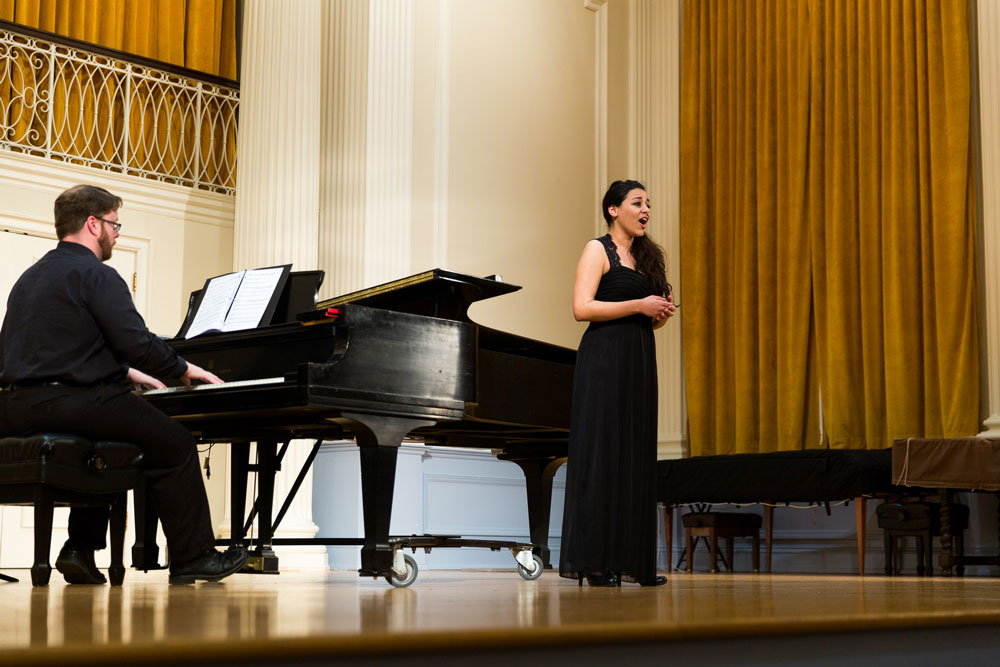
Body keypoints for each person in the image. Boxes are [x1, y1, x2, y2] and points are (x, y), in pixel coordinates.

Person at [0, 184, 247, 585]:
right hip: (76, 402)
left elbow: (36, 348)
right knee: (175, 442)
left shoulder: (29, 278)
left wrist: (126, 372)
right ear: (93, 224)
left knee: (112, 444)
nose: (118, 233)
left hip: (15, 408)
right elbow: (135, 341)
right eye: (115, 224)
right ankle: (194, 556)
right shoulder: (98, 274)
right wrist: (182, 368)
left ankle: (80, 548)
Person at [559, 179, 676, 587]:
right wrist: (638, 305)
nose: (646, 210)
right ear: (614, 210)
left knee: (633, 455)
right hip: (604, 363)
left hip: (639, 362)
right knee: (604, 455)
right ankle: (594, 562)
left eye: (648, 205)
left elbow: (646, 318)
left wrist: (657, 313)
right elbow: (581, 308)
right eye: (638, 203)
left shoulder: (645, 258)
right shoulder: (597, 249)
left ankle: (631, 561)